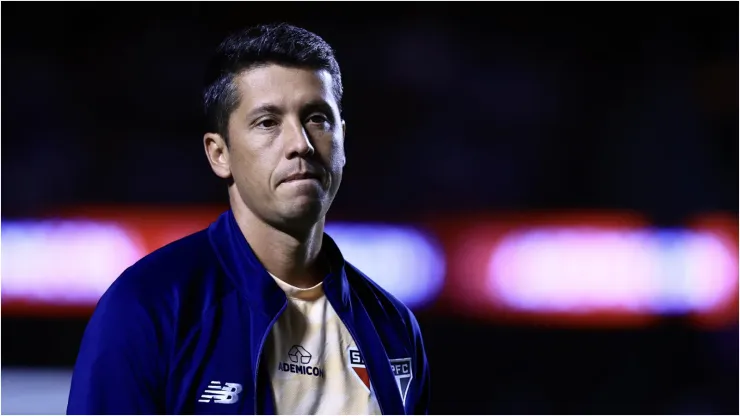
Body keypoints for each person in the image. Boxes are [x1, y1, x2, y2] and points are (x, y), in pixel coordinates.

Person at [66, 23, 431, 415]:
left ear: (343, 137)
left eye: (317, 118)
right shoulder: (147, 308)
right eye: (268, 122)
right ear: (219, 153)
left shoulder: (393, 327)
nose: (300, 144)